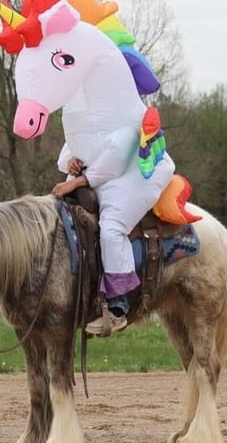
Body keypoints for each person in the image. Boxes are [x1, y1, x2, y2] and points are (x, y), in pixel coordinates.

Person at [52, 131, 174, 336]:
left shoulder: (125, 116)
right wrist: (70, 161)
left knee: (111, 229)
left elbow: (115, 159)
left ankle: (119, 305)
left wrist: (76, 182)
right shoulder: (87, 115)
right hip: (94, 180)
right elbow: (70, 146)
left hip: (134, 178)